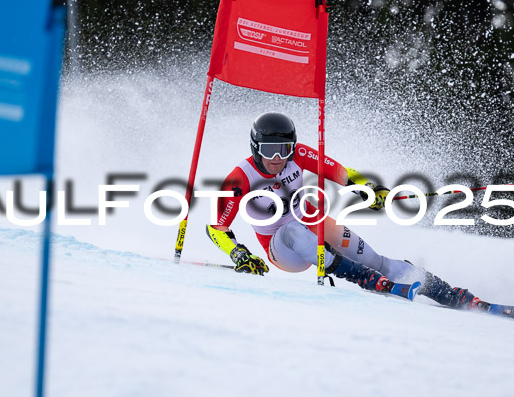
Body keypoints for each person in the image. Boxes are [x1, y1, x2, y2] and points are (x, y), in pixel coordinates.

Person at [206, 112, 481, 309]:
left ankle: (441, 289)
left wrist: (368, 188)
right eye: (269, 150)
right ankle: (362, 278)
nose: (277, 159)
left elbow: (341, 172)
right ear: (255, 147)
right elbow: (215, 226)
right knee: (291, 229)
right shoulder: (239, 178)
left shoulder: (299, 154)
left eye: (284, 150)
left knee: (374, 258)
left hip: (312, 222)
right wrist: (239, 253)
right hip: (282, 248)